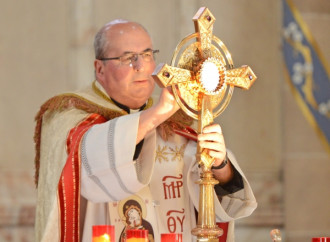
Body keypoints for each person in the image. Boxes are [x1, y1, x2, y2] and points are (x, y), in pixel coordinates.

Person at [34, 19, 257, 242]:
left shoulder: (176, 124)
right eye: (128, 58)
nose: (141, 66)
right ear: (99, 69)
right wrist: (158, 113)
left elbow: (223, 207)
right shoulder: (70, 118)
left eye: (147, 54)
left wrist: (221, 166)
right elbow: (90, 169)